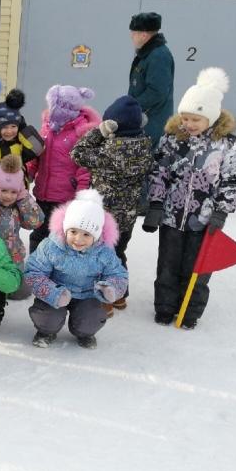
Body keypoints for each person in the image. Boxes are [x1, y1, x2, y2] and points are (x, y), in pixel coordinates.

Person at [142, 67, 236, 329]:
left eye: (196, 119)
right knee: (167, 264)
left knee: (197, 269)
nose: (189, 124)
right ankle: (165, 307)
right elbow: (159, 172)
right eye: (185, 118)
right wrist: (156, 204)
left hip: (204, 219)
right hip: (171, 217)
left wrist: (221, 211)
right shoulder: (172, 140)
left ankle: (189, 312)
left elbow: (234, 180)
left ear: (211, 118)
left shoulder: (228, 146)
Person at [70, 95, 153, 316]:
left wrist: (98, 132)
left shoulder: (110, 150)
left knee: (101, 258)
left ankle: (104, 301)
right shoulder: (145, 146)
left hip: (105, 218)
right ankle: (120, 296)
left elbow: (77, 153)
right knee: (119, 253)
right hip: (128, 217)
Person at [24, 189, 128, 349]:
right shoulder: (52, 246)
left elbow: (118, 274)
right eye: (73, 231)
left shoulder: (104, 251)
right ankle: (46, 331)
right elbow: (33, 272)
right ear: (65, 228)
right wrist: (53, 293)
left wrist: (110, 289)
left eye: (86, 234)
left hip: (88, 294)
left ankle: (85, 333)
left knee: (90, 319)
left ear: (97, 235)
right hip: (57, 292)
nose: (78, 239)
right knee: (47, 318)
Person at [27, 84, 101, 253]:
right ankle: (35, 272)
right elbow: (38, 155)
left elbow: (84, 168)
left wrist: (82, 195)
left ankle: (57, 272)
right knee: (38, 234)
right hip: (43, 194)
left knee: (60, 238)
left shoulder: (80, 132)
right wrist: (28, 173)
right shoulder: (47, 127)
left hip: (65, 196)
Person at [0, 155, 44, 301]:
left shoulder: (18, 207)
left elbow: (36, 222)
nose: (8, 196)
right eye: (3, 190)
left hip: (14, 256)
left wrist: (24, 198)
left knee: (21, 292)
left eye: (13, 192)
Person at [0, 88, 43, 182]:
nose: (9, 131)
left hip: (16, 187)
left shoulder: (20, 139)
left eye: (13, 126)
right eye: (4, 127)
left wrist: (23, 128)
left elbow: (38, 147)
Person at [128, 12, 175, 148]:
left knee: (147, 160)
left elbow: (157, 92)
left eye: (134, 32)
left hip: (152, 122)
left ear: (144, 35)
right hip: (142, 119)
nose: (131, 36)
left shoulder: (158, 56)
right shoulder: (147, 53)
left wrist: (132, 107)